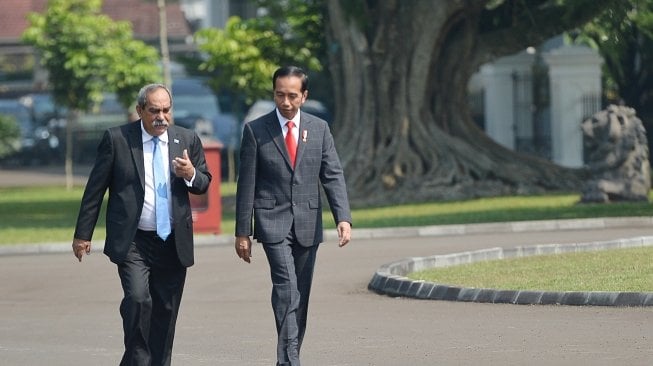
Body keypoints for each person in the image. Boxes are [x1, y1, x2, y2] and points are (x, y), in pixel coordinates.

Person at [72, 83, 212, 366]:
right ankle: (137, 360)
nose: (161, 117)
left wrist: (190, 173)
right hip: (134, 240)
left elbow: (203, 183)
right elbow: (95, 189)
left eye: (166, 110)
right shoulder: (118, 139)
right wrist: (83, 234)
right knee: (137, 300)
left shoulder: (186, 139)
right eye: (154, 111)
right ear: (139, 111)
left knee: (165, 311)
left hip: (173, 242)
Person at [234, 65, 352, 366]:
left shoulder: (320, 128)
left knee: (298, 295)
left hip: (308, 223)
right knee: (287, 288)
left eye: (291, 95)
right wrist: (242, 232)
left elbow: (332, 175)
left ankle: (289, 354)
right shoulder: (256, 130)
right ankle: (289, 361)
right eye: (278, 94)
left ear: (304, 96)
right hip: (272, 222)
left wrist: (343, 217)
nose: (284, 102)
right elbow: (246, 183)